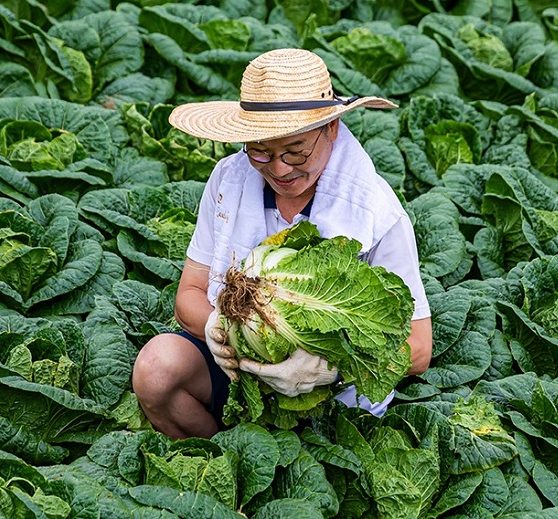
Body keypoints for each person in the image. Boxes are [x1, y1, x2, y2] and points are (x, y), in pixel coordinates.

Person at [131, 48, 432, 439]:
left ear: (332, 129)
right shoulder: (228, 180)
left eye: (296, 151)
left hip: (335, 398)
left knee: (316, 451)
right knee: (156, 370)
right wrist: (219, 329)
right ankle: (221, 453)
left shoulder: (376, 210)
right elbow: (189, 291)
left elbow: (418, 347)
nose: (279, 168)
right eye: (260, 151)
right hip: (236, 370)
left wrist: (330, 368)